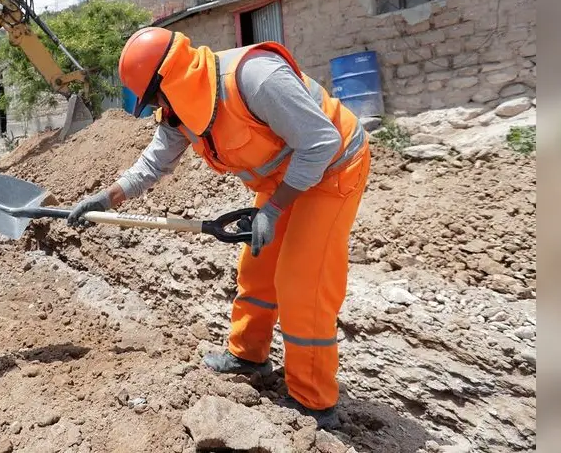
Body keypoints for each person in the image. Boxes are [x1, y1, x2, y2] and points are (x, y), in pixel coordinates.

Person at [68, 27, 371, 430]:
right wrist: (107, 198)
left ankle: (314, 401)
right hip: (284, 178)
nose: (158, 109)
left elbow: (320, 143)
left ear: (169, 80)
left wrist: (273, 209)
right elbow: (153, 164)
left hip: (333, 168)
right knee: (258, 269)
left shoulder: (256, 78)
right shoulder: (181, 112)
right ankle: (248, 355)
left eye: (154, 98)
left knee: (302, 283)